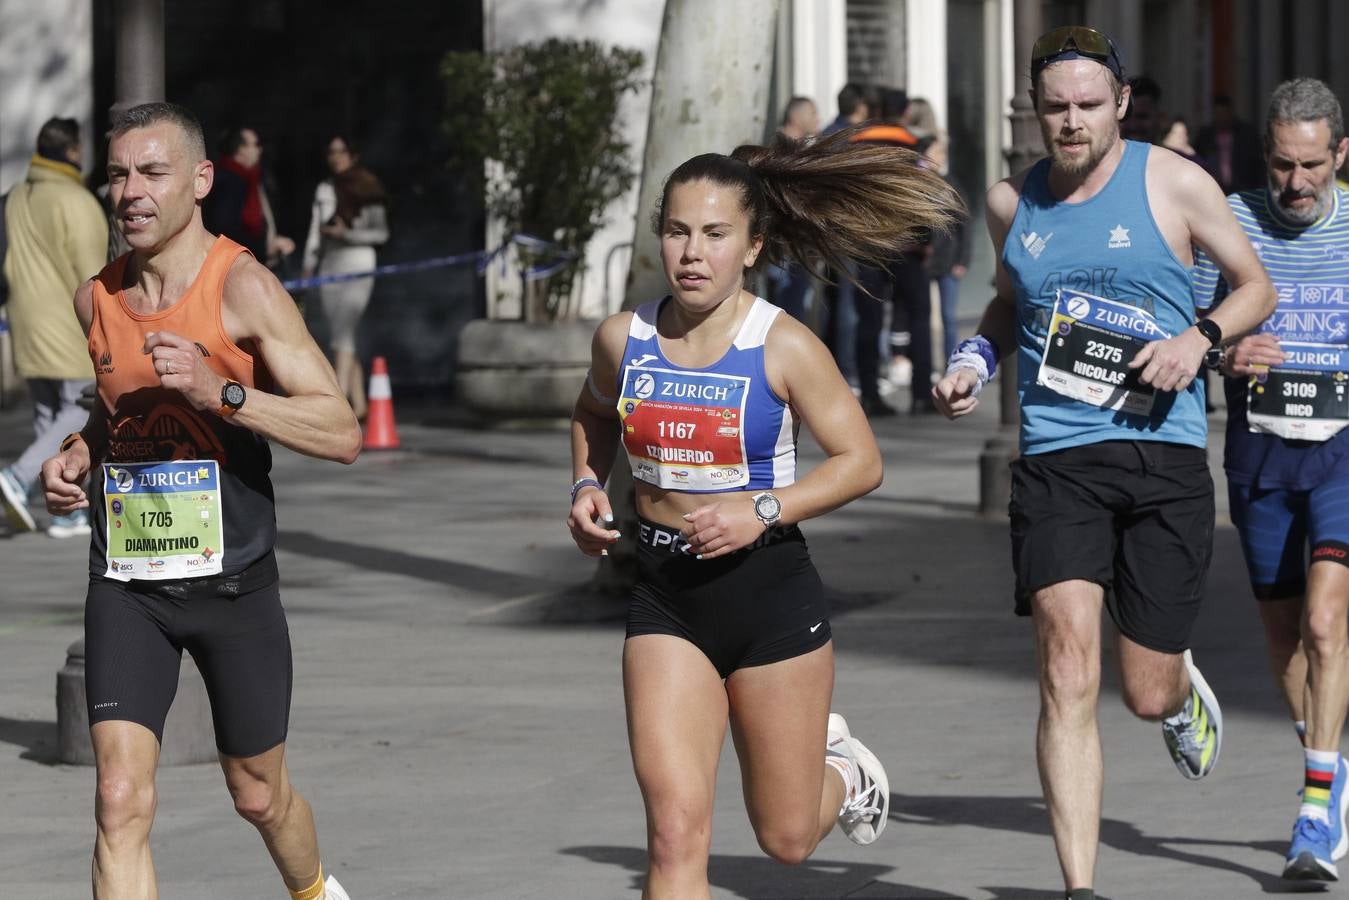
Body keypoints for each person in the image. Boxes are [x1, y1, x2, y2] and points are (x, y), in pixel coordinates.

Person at [932, 26, 1276, 900]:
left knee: (1143, 692)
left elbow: (1253, 288)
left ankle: (1175, 686)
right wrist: (974, 360)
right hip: (1057, 459)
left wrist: (1195, 339)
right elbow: (1006, 308)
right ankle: (1078, 886)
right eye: (1055, 108)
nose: (1072, 123)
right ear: (1035, 112)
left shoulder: (1173, 181)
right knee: (1064, 665)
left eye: (1089, 105)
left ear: (1120, 103)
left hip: (1162, 457)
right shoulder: (1013, 204)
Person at [567, 129, 958, 898]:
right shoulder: (624, 338)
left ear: (751, 246)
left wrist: (763, 510)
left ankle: (840, 771)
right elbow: (591, 413)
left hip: (767, 594)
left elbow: (861, 462)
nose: (691, 253)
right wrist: (583, 485)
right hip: (664, 597)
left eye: (714, 235)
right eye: (677, 232)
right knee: (675, 834)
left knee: (784, 838)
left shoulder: (782, 344)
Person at [40, 102, 358, 900]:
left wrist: (224, 394)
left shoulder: (243, 287)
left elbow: (340, 428)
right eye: (117, 174)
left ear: (200, 180)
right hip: (126, 583)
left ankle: (315, 890)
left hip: (233, 584)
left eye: (152, 172)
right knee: (118, 800)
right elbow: (115, 409)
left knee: (257, 791)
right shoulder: (96, 300)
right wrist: (82, 451)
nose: (131, 192)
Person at [1192, 77, 1349, 881]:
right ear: (1265, 157)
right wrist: (1224, 350)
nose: (1296, 183)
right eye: (1283, 165)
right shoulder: (1231, 220)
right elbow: (1185, 337)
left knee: (1326, 623)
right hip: (1258, 449)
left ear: (1340, 155)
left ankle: (1314, 811)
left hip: (1342, 448)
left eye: (1312, 166)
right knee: (1284, 632)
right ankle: (1328, 757)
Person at [0, 116, 108, 538]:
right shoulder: (74, 200)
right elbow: (93, 271)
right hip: (65, 323)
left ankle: (65, 511)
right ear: (74, 150)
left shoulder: (16, 197)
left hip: (25, 321)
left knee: (49, 414)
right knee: (80, 409)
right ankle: (20, 476)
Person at [851, 90, 932, 416]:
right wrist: (924, 240)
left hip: (868, 245)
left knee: (868, 322)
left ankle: (870, 393)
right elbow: (926, 195)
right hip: (907, 246)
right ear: (906, 111)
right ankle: (921, 393)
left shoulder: (856, 145)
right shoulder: (913, 146)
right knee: (919, 318)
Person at [302, 134, 388, 420]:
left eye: (342, 151)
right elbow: (316, 230)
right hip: (330, 263)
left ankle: (337, 405)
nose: (336, 157)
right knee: (342, 335)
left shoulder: (368, 185)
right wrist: (308, 265)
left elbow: (381, 233)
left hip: (358, 260)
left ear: (353, 155)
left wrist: (347, 234)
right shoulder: (325, 187)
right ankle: (360, 405)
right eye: (331, 151)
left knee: (344, 331)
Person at [203, 126, 296, 271]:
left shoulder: (251, 178)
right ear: (241, 149)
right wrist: (266, 247)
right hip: (236, 267)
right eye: (255, 144)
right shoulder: (229, 182)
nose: (259, 150)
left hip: (252, 263)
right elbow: (226, 231)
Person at [921, 136, 971, 361]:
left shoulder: (950, 185)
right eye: (935, 153)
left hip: (948, 261)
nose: (938, 159)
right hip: (924, 261)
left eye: (941, 154)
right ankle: (924, 363)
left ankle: (950, 362)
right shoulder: (918, 184)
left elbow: (965, 224)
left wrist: (962, 260)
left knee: (948, 317)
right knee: (922, 318)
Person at [1197, 94, 1266, 195]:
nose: (1222, 118)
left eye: (1224, 113)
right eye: (1218, 114)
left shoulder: (1247, 133)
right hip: (1215, 190)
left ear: (1231, 113)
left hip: (1244, 190)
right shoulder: (1205, 135)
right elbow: (1199, 160)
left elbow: (1258, 164)